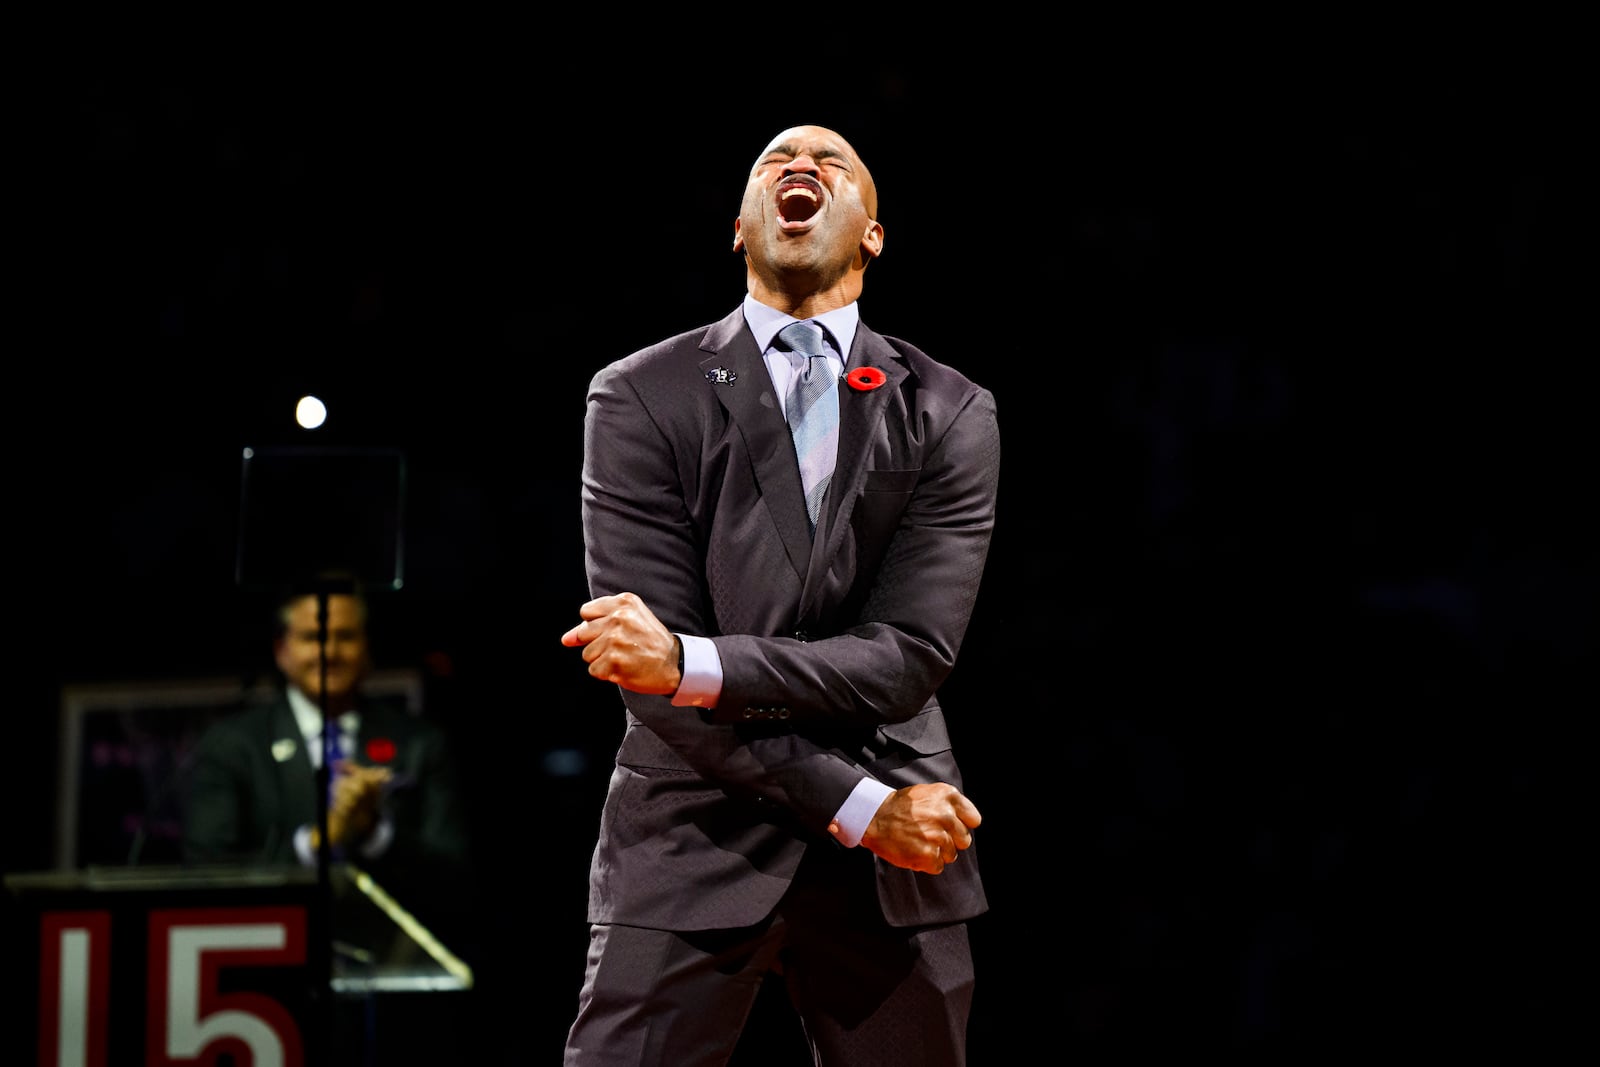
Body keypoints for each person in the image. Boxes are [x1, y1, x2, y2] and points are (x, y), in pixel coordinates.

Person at [559, 124, 1000, 1066]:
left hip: (896, 852)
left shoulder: (951, 409)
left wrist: (697, 663)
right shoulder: (638, 395)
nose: (800, 166)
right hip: (693, 829)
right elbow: (642, 673)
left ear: (874, 234)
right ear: (740, 228)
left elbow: (909, 654)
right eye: (775, 163)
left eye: (831, 162)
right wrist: (861, 806)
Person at [183, 576, 471, 945]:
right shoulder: (233, 744)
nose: (329, 652)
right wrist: (317, 843)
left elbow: (455, 880)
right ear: (281, 650)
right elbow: (207, 873)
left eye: (345, 637)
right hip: (266, 956)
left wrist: (375, 833)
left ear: (366, 648)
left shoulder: (420, 743)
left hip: (393, 961)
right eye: (312, 638)